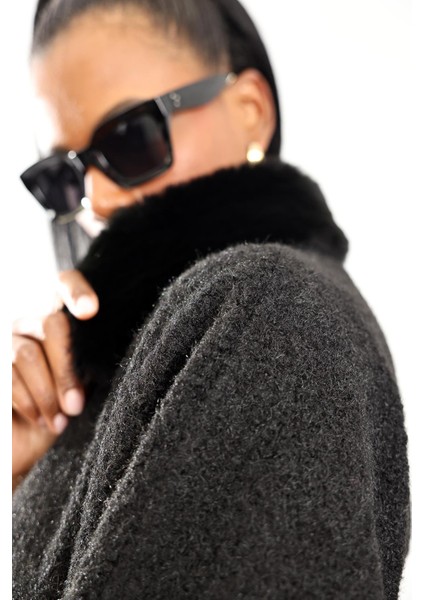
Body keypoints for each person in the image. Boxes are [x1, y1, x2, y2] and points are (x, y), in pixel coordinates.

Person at [12, 0, 411, 598]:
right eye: (65, 176)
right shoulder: (174, 343)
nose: (97, 199)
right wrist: (27, 469)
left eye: (132, 138)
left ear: (250, 111)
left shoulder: (268, 307)